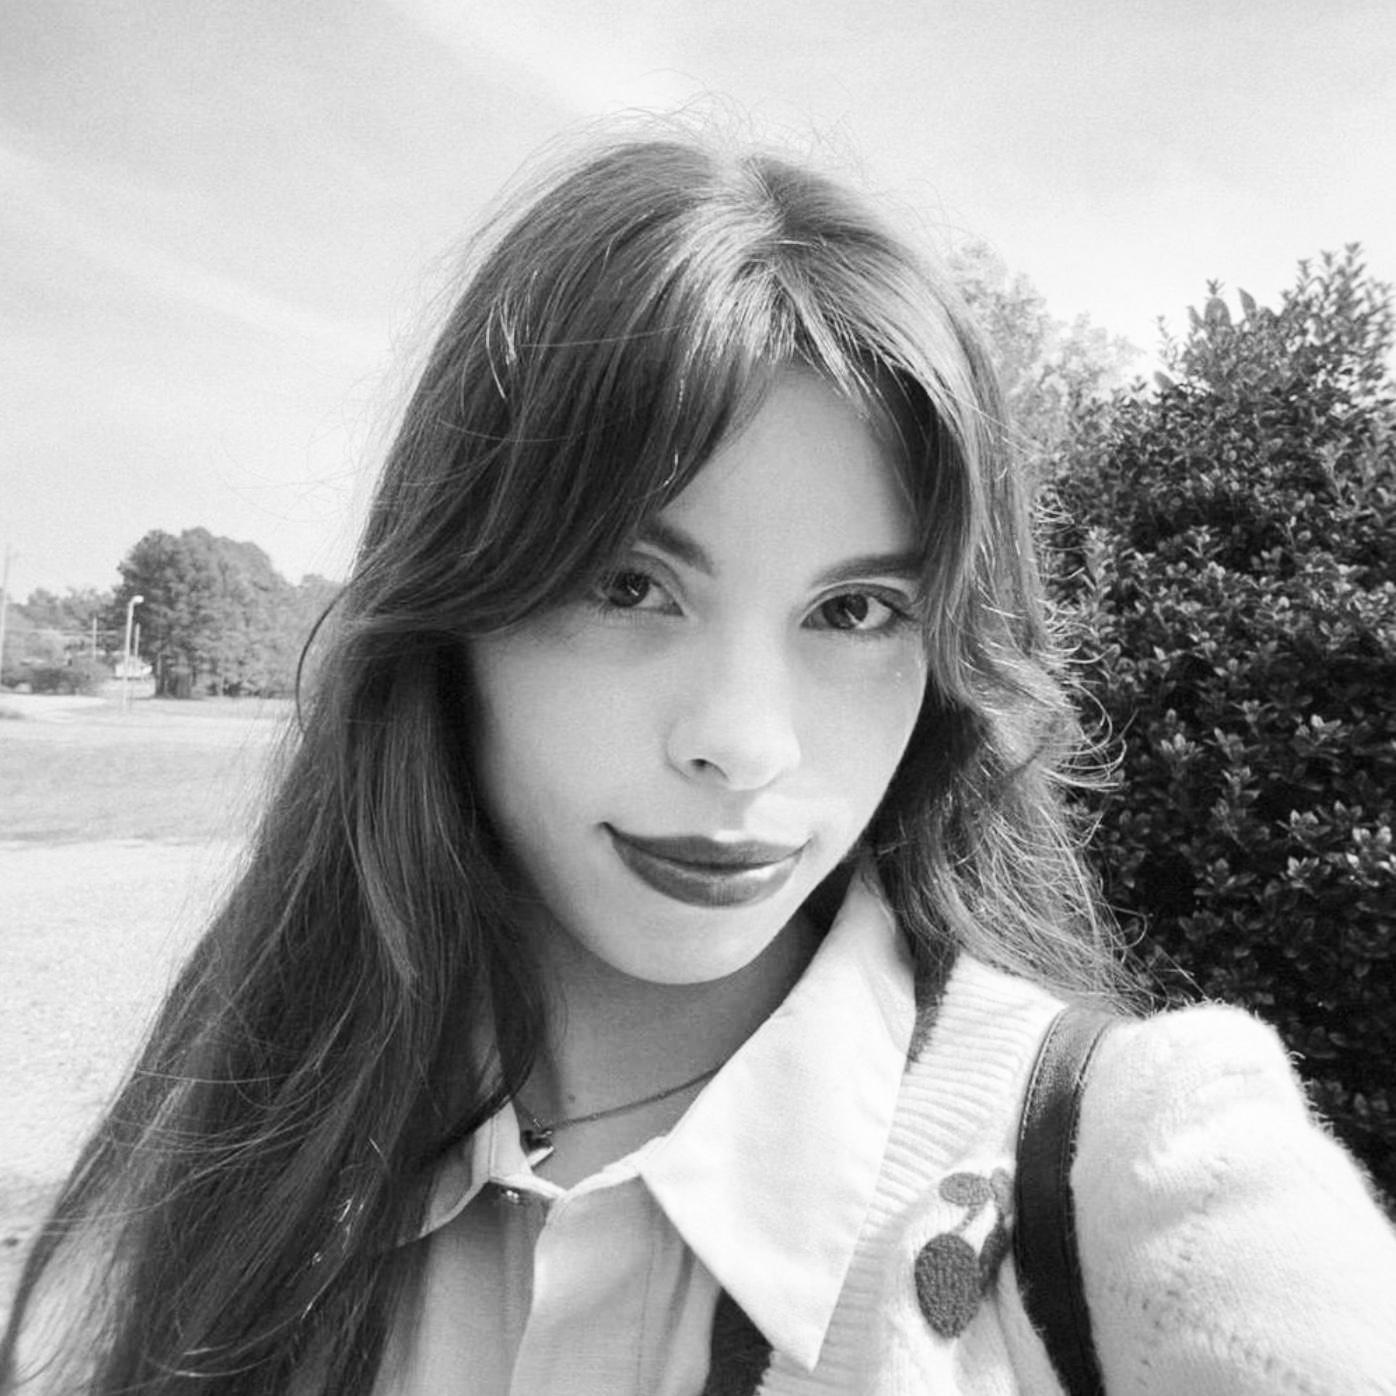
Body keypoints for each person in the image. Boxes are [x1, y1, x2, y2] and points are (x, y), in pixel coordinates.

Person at [4, 130, 1395, 1396]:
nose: (743, 743)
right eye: (628, 585)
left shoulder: (1143, 1177)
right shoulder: (240, 1154)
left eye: (857, 611)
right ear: (453, 614)